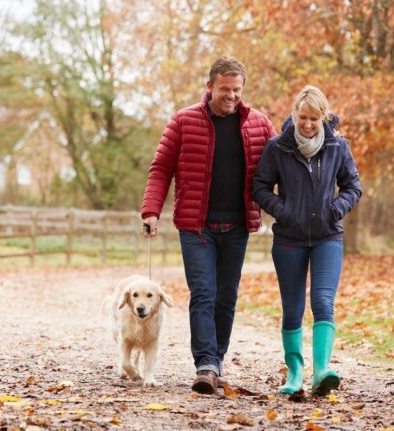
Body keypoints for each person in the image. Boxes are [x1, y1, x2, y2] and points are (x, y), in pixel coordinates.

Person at [141, 56, 276, 394]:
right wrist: (151, 211)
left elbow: (282, 163)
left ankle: (216, 361)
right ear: (210, 86)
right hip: (196, 226)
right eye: (225, 89)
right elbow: (161, 169)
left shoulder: (258, 124)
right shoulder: (183, 121)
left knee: (226, 297)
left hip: (237, 227)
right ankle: (205, 364)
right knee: (203, 292)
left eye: (237, 90)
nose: (231, 96)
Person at [252, 85, 362, 396]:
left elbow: (353, 187)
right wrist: (282, 211)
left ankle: (322, 370)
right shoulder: (278, 148)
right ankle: (295, 372)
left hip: (328, 237)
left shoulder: (337, 147)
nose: (308, 124)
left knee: (323, 302)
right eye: (303, 117)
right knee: (292, 308)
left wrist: (335, 210)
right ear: (294, 115)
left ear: (324, 117)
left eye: (314, 118)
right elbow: (259, 187)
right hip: (288, 239)